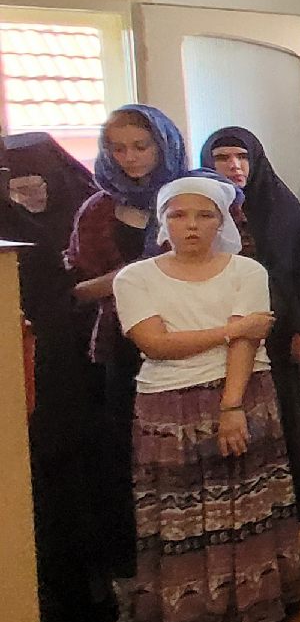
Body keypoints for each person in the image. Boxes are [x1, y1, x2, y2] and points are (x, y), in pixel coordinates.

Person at [113, 175, 300, 622]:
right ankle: (190, 616)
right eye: (178, 215)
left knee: (246, 501)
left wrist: (231, 406)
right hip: (168, 405)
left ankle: (254, 605)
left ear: (221, 222)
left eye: (204, 215)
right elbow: (155, 343)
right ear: (163, 222)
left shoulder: (247, 271)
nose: (191, 225)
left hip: (243, 391)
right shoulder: (134, 278)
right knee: (180, 510)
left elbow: (247, 344)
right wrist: (230, 329)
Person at [70, 104, 191, 584]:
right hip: (123, 344)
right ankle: (139, 559)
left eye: (141, 146)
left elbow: (235, 264)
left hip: (192, 335)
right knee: (130, 449)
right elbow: (77, 289)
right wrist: (132, 277)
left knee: (187, 443)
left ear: (163, 145)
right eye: (118, 149)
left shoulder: (193, 196)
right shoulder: (96, 209)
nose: (130, 158)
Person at [9, 134, 111, 622]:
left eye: (37, 184)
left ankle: (80, 603)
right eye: (16, 187)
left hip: (72, 373)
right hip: (27, 376)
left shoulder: (84, 208)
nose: (29, 196)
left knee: (68, 486)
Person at [201, 126, 300, 527]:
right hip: (219, 334)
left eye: (242, 157)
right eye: (222, 158)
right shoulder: (200, 208)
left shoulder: (281, 206)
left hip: (279, 329)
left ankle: (294, 510)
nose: (234, 166)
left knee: (286, 418)